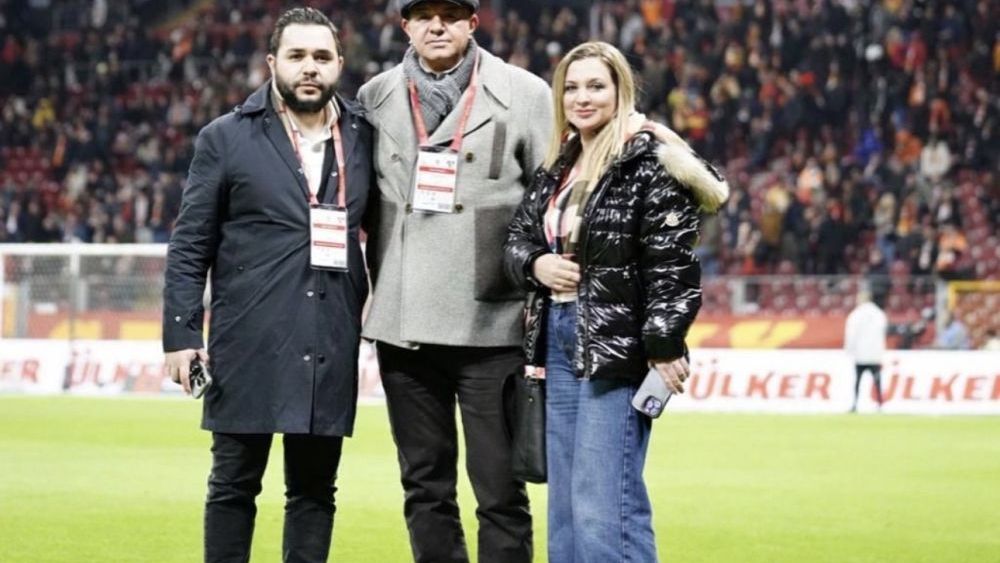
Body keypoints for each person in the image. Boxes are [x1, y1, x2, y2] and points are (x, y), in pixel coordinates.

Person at [162, 8, 373, 562]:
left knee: (314, 491)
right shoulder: (226, 137)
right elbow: (190, 243)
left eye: (322, 56)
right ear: (272, 62)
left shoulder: (364, 137)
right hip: (247, 338)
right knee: (234, 485)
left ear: (340, 64)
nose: (310, 67)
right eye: (297, 56)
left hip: (329, 336)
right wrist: (181, 334)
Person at [503, 41, 729, 561]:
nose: (582, 98)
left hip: (618, 346)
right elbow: (517, 238)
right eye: (572, 88)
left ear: (620, 91)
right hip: (556, 337)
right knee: (565, 505)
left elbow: (672, 264)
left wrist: (664, 344)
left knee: (604, 504)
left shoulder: (649, 160)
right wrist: (536, 264)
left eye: (596, 86)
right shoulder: (560, 163)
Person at [356, 1, 552, 561]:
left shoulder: (526, 93)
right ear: (405, 26)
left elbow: (550, 202)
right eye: (423, 15)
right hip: (404, 323)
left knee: (500, 490)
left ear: (473, 22)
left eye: (449, 13)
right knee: (425, 486)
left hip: (493, 321)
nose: (436, 25)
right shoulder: (375, 97)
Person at [843, 290, 888, 413]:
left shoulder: (855, 315)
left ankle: (855, 404)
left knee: (858, 381)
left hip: (860, 353)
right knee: (877, 380)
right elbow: (883, 331)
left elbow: (851, 334)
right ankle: (880, 404)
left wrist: (849, 349)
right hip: (875, 353)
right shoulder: (879, 314)